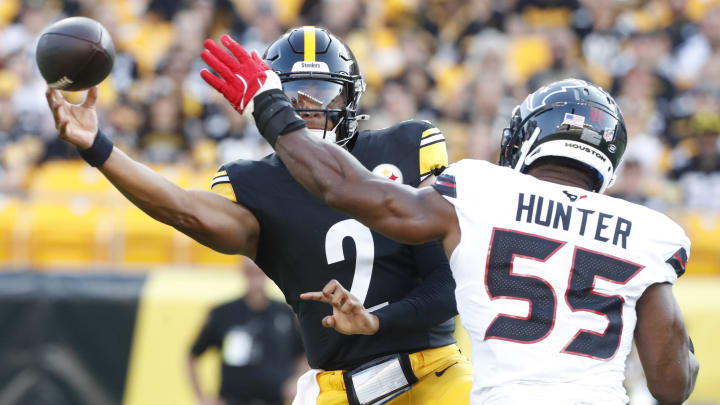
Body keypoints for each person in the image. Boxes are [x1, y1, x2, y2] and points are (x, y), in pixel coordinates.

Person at [207, 44, 698, 404]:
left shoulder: (482, 192)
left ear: (527, 137)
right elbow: (672, 384)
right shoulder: (647, 232)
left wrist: (271, 108)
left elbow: (345, 189)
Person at [45, 27, 472, 405]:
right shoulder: (254, 183)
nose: (308, 110)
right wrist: (99, 148)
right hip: (339, 390)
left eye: (322, 96)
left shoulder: (408, 143)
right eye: (292, 97)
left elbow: (447, 283)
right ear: (269, 101)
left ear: (351, 98)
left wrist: (376, 321)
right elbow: (183, 209)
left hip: (434, 374)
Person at [188, 260, 307, 405]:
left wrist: (296, 380)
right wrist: (203, 398)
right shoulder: (223, 313)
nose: (255, 278)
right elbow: (193, 355)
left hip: (275, 400)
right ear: (244, 273)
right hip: (233, 400)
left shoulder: (284, 313)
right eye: (250, 272)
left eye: (259, 272)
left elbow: (303, 353)